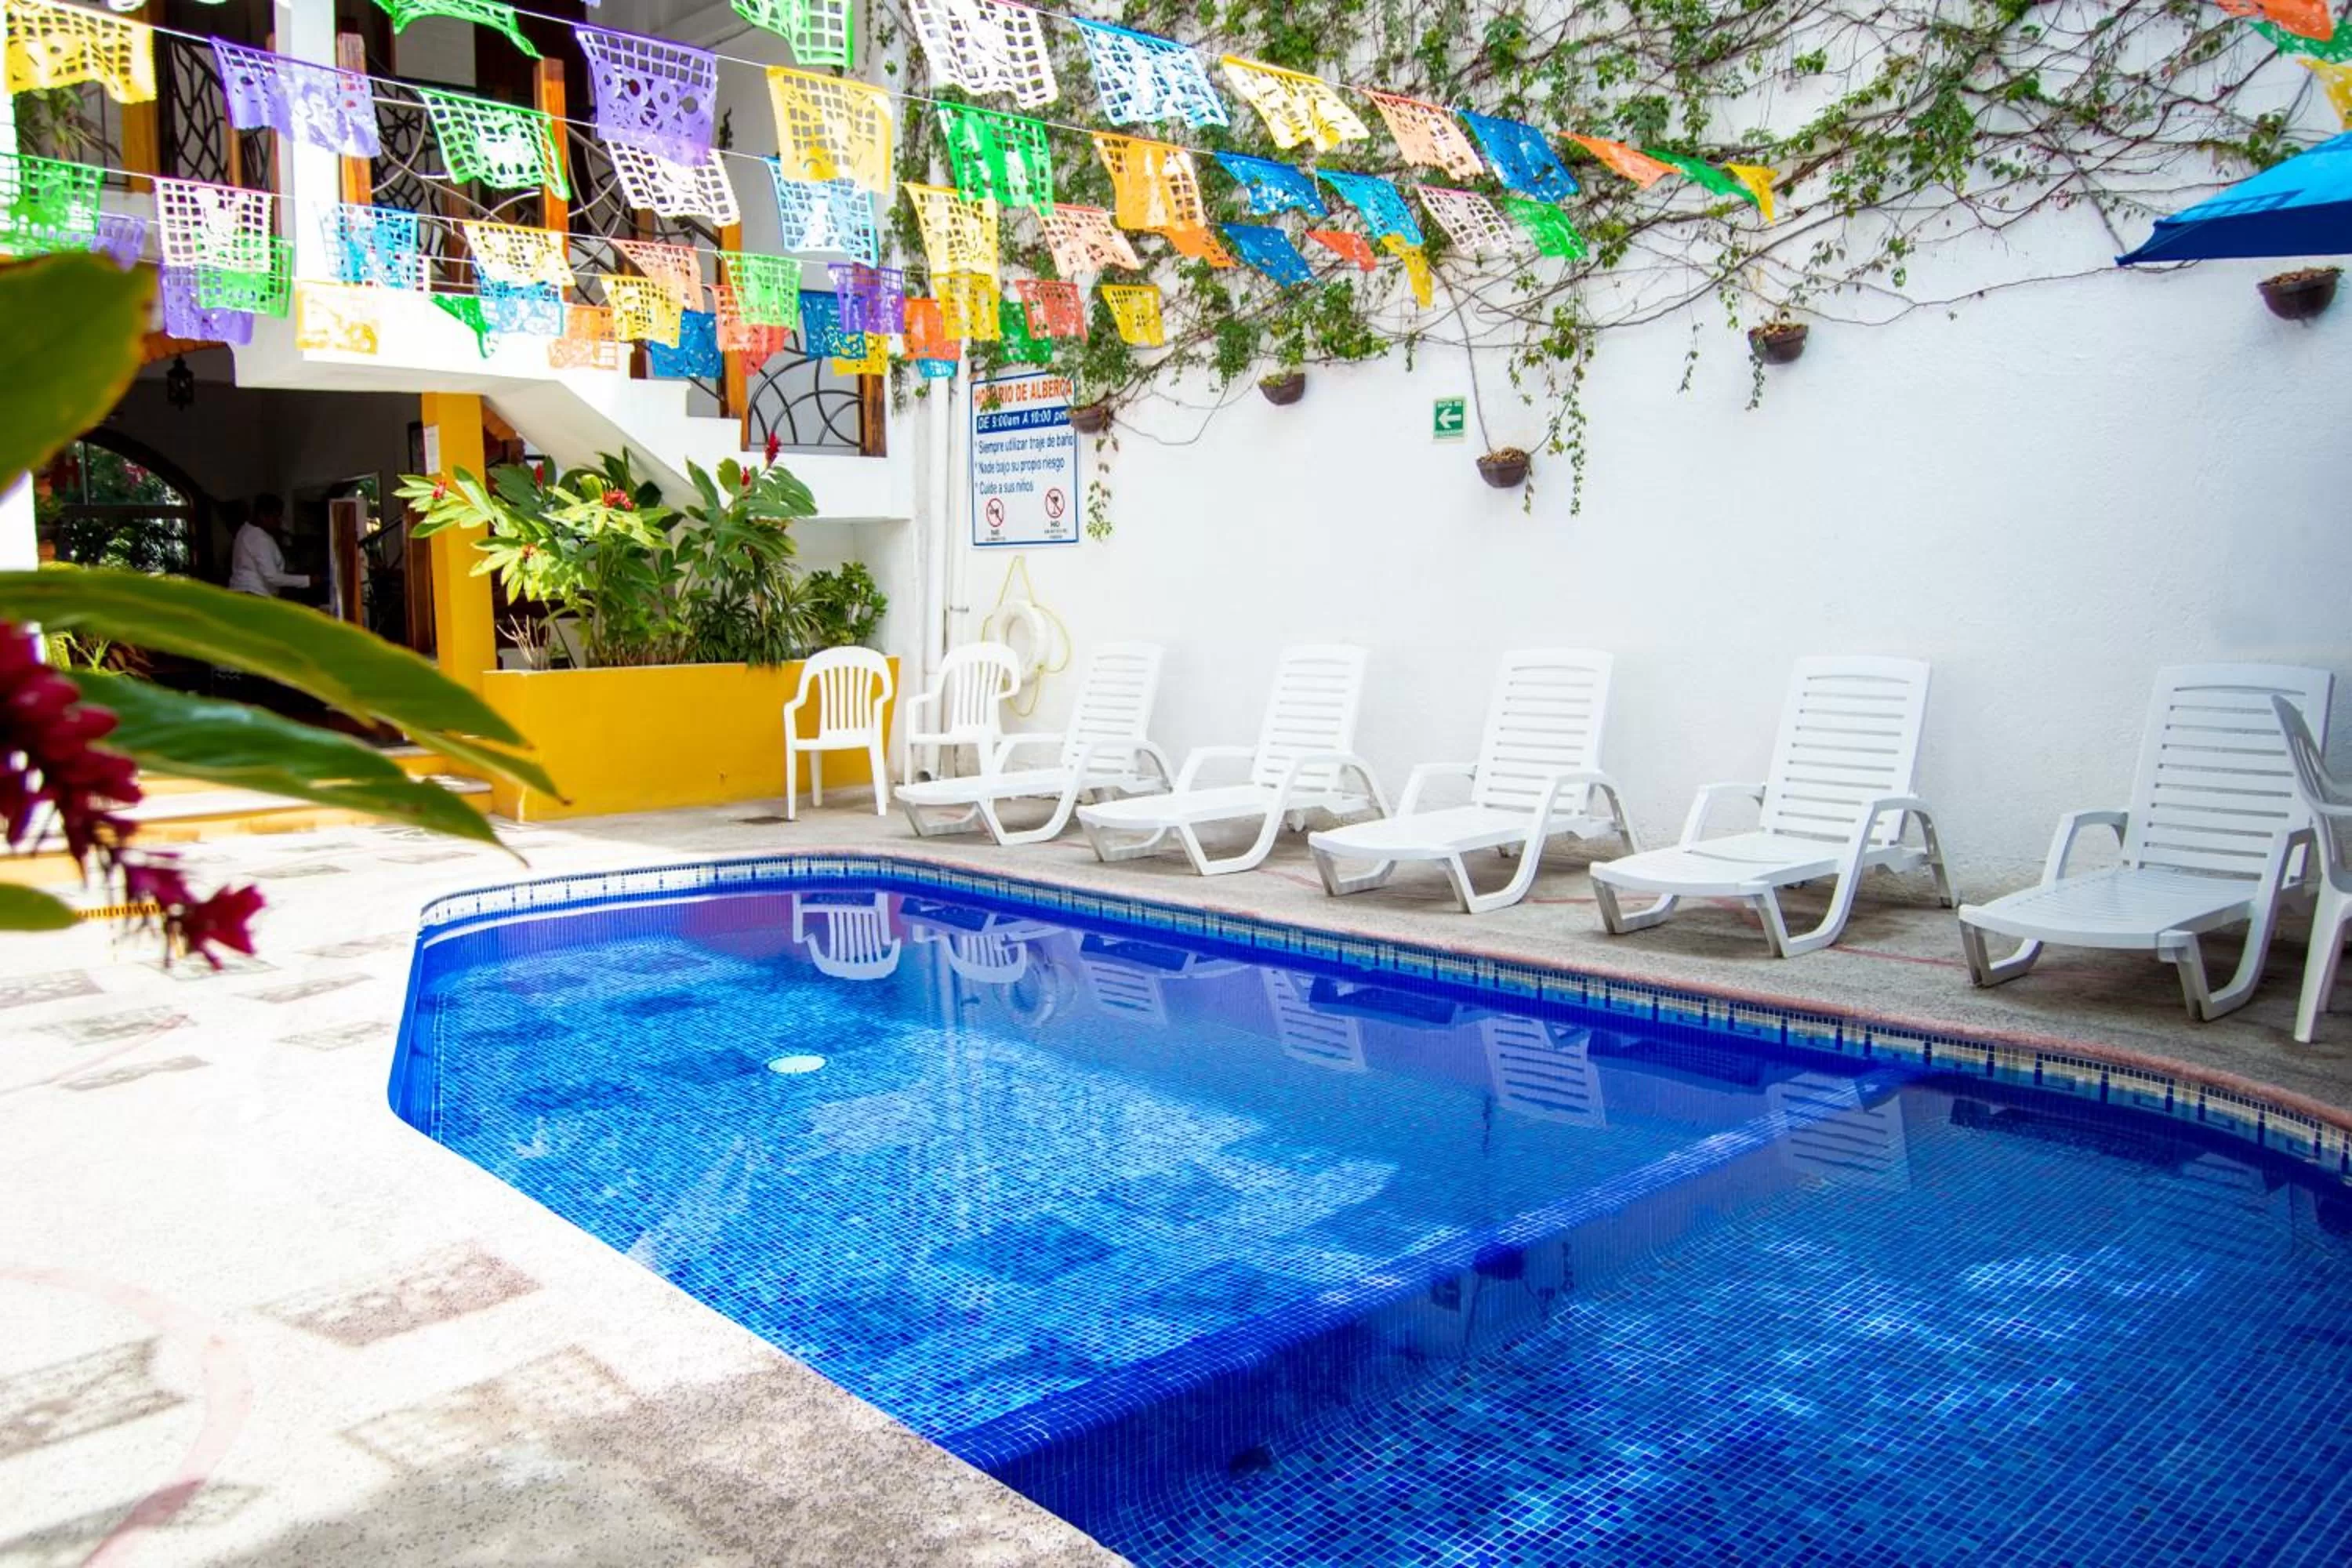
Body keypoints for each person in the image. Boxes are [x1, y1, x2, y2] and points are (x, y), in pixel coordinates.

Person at [226, 493, 309, 598]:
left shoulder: (245, 530)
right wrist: (308, 580)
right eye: (275, 517)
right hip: (255, 594)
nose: (279, 521)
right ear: (262, 516)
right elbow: (272, 577)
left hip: (241, 592)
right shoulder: (259, 538)